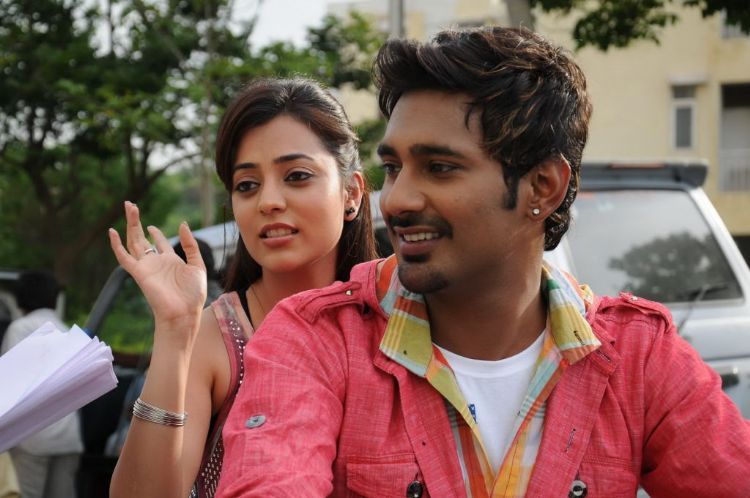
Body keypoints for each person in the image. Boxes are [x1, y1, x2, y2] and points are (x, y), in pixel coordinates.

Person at [216, 27, 750, 497]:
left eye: (440, 167)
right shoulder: (315, 340)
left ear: (542, 186)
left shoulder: (636, 355)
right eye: (394, 167)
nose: (396, 200)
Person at [107, 77, 378, 498]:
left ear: (352, 193)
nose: (268, 201)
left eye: (297, 176)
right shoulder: (216, 338)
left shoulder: (397, 323)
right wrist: (176, 332)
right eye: (247, 185)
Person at [0, 271, 83, 498]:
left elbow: (11, 383)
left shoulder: (21, 328)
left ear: (20, 297)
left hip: (32, 435)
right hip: (68, 436)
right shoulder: (67, 330)